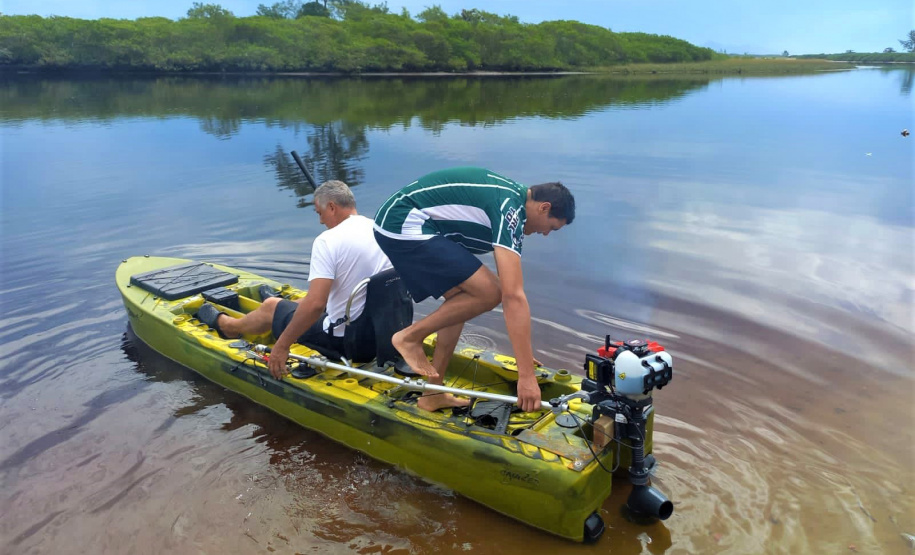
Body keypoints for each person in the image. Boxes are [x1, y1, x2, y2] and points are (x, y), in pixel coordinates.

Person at [373, 166, 575, 412]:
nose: (545, 234)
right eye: (551, 227)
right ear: (544, 207)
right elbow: (512, 296)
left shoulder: (511, 201)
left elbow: (513, 296)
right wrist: (526, 374)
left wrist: (523, 355)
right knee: (491, 292)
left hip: (419, 226)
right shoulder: (509, 209)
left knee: (463, 301)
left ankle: (433, 393)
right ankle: (409, 337)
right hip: (403, 222)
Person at [196, 180, 392, 379]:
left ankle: (229, 327)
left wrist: (282, 346)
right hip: (385, 335)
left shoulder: (328, 241)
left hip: (349, 343)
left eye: (319, 213)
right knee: (323, 294)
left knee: (272, 306)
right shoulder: (379, 229)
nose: (321, 221)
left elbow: (316, 305)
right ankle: (285, 306)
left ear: (332, 207)